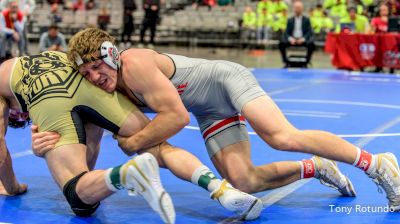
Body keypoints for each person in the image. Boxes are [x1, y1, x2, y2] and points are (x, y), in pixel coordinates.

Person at [65, 27, 400, 211]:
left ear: (112, 55)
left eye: (97, 67)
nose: (95, 78)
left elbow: (176, 117)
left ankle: (376, 163)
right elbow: (93, 130)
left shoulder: (135, 64)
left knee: (280, 137)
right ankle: (316, 167)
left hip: (226, 80)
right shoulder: (111, 90)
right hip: (210, 112)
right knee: (245, 181)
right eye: (87, 73)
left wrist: (133, 143)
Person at [1, 51, 263, 220]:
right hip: (90, 87)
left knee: (77, 198)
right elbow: (89, 138)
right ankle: (220, 190)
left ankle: (126, 174)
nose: (24, 118)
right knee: (159, 147)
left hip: (51, 99)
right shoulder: (54, 55)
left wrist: (13, 187)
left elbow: (1, 153)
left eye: (19, 117)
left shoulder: (4, 85)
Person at [278, 1, 315, 68]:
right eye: (296, 8)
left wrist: (303, 39)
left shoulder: (306, 20)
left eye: (299, 8)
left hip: (302, 39)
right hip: (292, 39)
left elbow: (309, 32)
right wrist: (290, 39)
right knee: (281, 44)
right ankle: (286, 61)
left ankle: (306, 61)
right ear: (294, 8)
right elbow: (286, 32)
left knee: (311, 44)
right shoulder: (290, 19)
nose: (297, 9)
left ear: (302, 9)